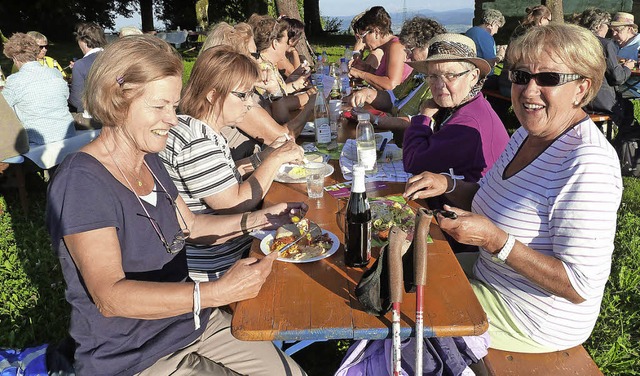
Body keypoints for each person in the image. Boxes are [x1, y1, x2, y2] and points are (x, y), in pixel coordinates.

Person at [46, 35, 307, 376]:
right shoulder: (81, 182)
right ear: (116, 100)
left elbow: (193, 226)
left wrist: (261, 217)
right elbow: (110, 296)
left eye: (173, 105)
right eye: (159, 106)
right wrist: (214, 293)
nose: (172, 118)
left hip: (191, 323)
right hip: (132, 354)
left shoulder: (148, 158)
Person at [404, 24, 622, 353]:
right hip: (489, 275)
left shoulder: (588, 163)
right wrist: (448, 183)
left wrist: (495, 240)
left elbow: (579, 286)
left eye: (548, 78)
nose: (529, 91)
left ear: (581, 88)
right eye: (521, 76)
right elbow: (491, 198)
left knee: (401, 307)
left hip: (530, 315)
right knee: (397, 269)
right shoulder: (527, 134)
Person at [160, 45, 304, 281]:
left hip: (229, 251)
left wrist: (262, 157)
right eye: (243, 95)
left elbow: (221, 180)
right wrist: (277, 158)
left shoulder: (193, 127)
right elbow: (235, 203)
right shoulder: (197, 144)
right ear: (213, 94)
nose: (250, 104)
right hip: (219, 267)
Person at [402, 33, 509, 184]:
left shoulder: (467, 123)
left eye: (450, 75)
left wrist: (423, 117)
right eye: (433, 76)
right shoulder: (468, 105)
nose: (440, 85)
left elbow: (413, 162)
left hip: (468, 205)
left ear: (473, 77)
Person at [348, 17, 447, 144]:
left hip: (409, 146)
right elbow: (393, 97)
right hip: (396, 140)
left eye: (410, 50)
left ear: (427, 48)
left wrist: (377, 120)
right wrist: (366, 93)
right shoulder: (419, 72)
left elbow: (421, 121)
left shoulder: (439, 83)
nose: (407, 56)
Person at [2, 33, 75, 145]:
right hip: (67, 132)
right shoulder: (55, 73)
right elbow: (66, 96)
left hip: (38, 140)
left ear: (15, 57)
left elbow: (3, 109)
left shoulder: (15, 81)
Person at [577, 8, 636, 132]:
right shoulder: (605, 44)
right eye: (607, 26)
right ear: (599, 26)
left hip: (579, 98)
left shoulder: (576, 42)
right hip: (601, 102)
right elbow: (617, 78)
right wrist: (627, 68)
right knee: (627, 107)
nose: (609, 30)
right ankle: (623, 144)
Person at [349, 6, 413, 91]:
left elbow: (391, 85)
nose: (362, 42)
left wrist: (361, 74)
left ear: (376, 31)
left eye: (363, 36)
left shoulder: (396, 47)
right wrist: (366, 68)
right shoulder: (388, 47)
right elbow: (382, 78)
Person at [498, 5, 552, 96]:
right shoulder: (535, 36)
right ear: (542, 19)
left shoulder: (519, 30)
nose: (549, 23)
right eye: (549, 20)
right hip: (518, 86)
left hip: (504, 82)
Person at [69, 22, 106, 114]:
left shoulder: (80, 65)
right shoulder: (116, 57)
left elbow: (77, 101)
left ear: (84, 42)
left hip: (92, 117)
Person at [465, 8, 506, 76]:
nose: (496, 31)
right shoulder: (485, 36)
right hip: (484, 77)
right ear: (493, 23)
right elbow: (490, 63)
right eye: (497, 27)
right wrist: (501, 54)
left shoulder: (470, 31)